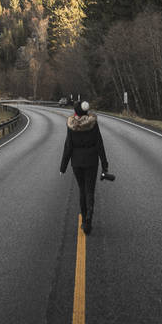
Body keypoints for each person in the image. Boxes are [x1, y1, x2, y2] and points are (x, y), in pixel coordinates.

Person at [60, 100, 109, 234]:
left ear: (76, 112)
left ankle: (84, 219)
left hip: (77, 162)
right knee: (90, 190)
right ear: (86, 111)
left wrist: (63, 167)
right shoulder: (93, 124)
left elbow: (68, 146)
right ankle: (89, 218)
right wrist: (105, 164)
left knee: (82, 189)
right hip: (91, 161)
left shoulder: (72, 125)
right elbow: (99, 144)